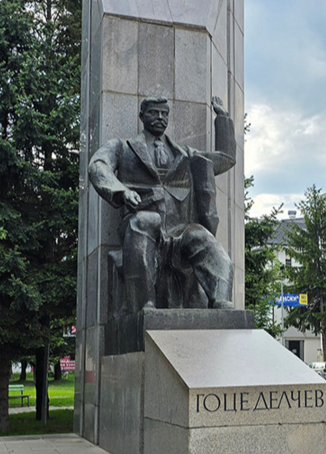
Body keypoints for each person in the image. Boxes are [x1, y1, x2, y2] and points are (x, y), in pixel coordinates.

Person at [88, 96, 236, 314]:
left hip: (178, 229)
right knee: (146, 220)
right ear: (142, 116)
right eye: (153, 113)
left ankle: (221, 301)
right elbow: (98, 166)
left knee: (203, 237)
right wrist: (122, 191)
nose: (159, 118)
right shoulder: (122, 147)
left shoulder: (184, 153)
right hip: (142, 222)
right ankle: (143, 305)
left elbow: (225, 159)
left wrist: (222, 118)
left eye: (164, 114)